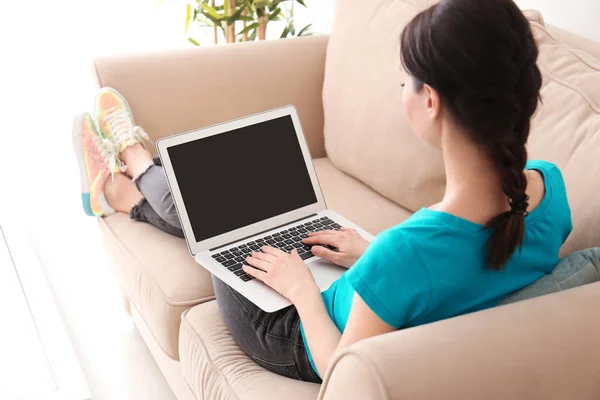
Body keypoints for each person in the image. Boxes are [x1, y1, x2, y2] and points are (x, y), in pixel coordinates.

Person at [73, 0, 572, 383]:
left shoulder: (406, 253)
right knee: (238, 212)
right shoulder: (551, 191)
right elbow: (452, 273)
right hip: (363, 290)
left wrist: (302, 290)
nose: (402, 92)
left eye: (405, 83)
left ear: (432, 103)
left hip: (295, 332)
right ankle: (133, 183)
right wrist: (370, 255)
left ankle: (134, 176)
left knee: (221, 219)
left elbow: (343, 373)